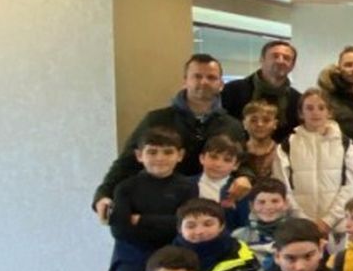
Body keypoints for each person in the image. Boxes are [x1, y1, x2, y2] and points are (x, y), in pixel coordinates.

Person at [92, 54, 247, 222]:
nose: (204, 82)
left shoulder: (233, 126)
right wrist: (103, 195)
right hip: (158, 209)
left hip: (208, 215)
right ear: (185, 81)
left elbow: (242, 162)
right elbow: (127, 161)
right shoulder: (157, 119)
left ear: (221, 84)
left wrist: (245, 176)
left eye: (211, 77)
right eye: (197, 76)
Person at [108, 127, 195, 271]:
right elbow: (120, 230)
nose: (160, 158)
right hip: (131, 258)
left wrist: (141, 220)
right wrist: (166, 222)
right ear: (139, 155)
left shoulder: (188, 187)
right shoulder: (125, 187)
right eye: (152, 152)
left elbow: (184, 226)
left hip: (171, 258)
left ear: (180, 155)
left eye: (168, 152)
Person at [285, 88, 353, 245]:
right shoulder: (287, 144)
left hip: (338, 227)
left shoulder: (344, 143)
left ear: (329, 112)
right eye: (309, 108)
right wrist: (305, 220)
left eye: (321, 108)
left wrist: (328, 220)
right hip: (301, 226)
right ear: (301, 113)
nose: (315, 113)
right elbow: (283, 186)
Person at [173, 198, 260, 271]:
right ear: (180, 230)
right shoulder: (168, 260)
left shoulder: (243, 259)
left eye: (208, 224)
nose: (199, 231)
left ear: (221, 225)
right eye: (191, 226)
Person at [221, 40, 300, 141]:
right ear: (262, 59)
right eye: (275, 56)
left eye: (286, 58)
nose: (280, 61)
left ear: (292, 65)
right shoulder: (233, 91)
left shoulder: (297, 100)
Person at [234, 178, 294, 269]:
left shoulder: (296, 233)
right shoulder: (239, 236)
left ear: (286, 203)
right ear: (251, 206)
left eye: (275, 201)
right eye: (261, 202)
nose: (268, 207)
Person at [196, 135, 246, 228]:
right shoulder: (186, 185)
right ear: (202, 158)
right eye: (213, 157)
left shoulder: (240, 190)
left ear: (236, 165)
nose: (218, 164)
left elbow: (243, 224)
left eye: (227, 160)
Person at [237, 99, 288, 185]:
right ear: (244, 123)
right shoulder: (236, 152)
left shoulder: (282, 152)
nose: (260, 124)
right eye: (253, 120)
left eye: (266, 120)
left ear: (275, 124)